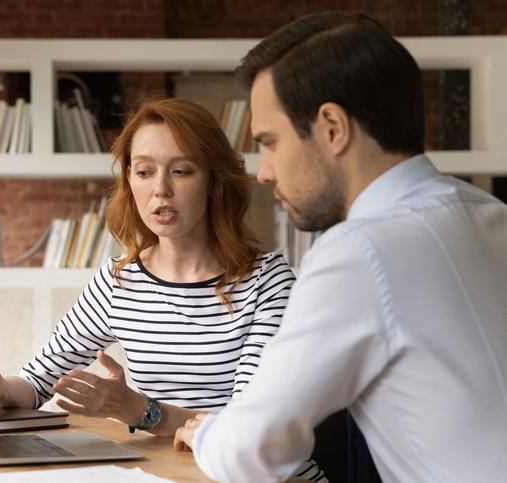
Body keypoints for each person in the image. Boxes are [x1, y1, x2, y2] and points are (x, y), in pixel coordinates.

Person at [174, 11, 507, 483]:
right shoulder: (489, 211)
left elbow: (253, 451)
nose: (264, 172)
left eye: (269, 142)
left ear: (332, 127)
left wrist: (209, 434)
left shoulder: (362, 250)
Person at [0, 97, 324, 480]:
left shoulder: (267, 282)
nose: (160, 190)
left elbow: (248, 433)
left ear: (213, 181)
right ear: (129, 180)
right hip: (171, 475)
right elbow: (38, 381)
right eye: (144, 172)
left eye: (181, 171)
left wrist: (142, 411)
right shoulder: (119, 280)